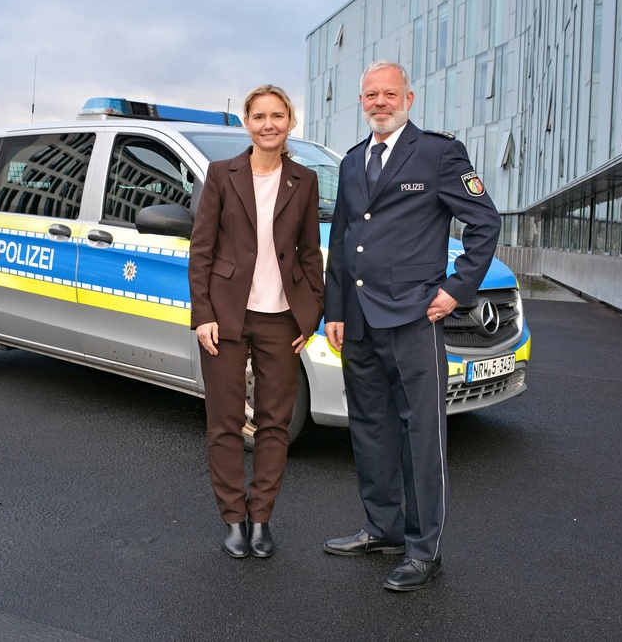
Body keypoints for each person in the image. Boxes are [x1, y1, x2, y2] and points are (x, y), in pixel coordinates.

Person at [322, 61, 500, 591]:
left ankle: (424, 550)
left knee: (421, 433)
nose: (380, 102)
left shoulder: (440, 153)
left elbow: (484, 221)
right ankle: (383, 528)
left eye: (389, 94)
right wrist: (333, 310)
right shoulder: (353, 161)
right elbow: (343, 238)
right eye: (371, 95)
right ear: (361, 101)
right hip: (357, 320)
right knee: (370, 428)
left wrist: (455, 290)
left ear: (410, 98)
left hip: (413, 317)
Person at [188, 84, 325, 559]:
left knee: (274, 424)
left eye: (278, 115)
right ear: (247, 123)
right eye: (260, 116)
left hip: (282, 320)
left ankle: (261, 518)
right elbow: (201, 249)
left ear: (290, 121)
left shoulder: (304, 181)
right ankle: (232, 519)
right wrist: (202, 314)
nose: (269, 124)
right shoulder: (221, 174)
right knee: (224, 422)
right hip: (225, 317)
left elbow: (310, 253)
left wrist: (311, 316)